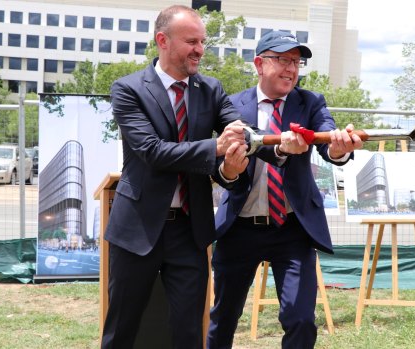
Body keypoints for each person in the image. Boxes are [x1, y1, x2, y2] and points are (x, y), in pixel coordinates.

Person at [101, 5, 249, 349]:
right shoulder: (128, 89)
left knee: (188, 332)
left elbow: (239, 129)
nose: (199, 49)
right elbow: (152, 152)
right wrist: (215, 147)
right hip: (136, 228)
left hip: (189, 230)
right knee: (122, 328)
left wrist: (276, 144)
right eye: (191, 41)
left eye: (203, 42)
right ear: (162, 40)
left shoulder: (211, 90)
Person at [207, 31, 364, 349]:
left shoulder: (310, 102)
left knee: (301, 319)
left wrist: (339, 148)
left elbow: (328, 143)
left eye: (296, 61)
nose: (291, 68)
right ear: (259, 64)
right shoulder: (232, 106)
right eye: (282, 60)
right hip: (239, 227)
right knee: (223, 317)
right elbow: (218, 166)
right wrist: (231, 169)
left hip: (292, 229)